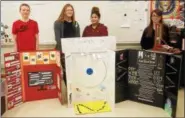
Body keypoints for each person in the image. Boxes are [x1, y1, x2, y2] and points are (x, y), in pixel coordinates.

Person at [54, 4, 80, 86]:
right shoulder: (57, 23)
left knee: (74, 72)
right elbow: (58, 39)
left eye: (71, 10)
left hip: (74, 52)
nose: (70, 11)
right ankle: (69, 89)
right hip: (63, 52)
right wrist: (65, 51)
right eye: (68, 10)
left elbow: (78, 38)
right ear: (64, 11)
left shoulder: (76, 23)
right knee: (66, 72)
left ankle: (74, 90)